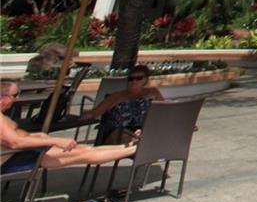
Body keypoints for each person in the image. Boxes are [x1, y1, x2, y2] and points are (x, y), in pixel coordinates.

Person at [0, 81, 138, 178]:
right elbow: (14, 142)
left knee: (83, 149)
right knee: (83, 153)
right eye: (14, 95)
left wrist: (38, 136)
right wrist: (55, 140)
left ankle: (129, 146)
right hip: (15, 158)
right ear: (2, 98)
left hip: (20, 154)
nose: (17, 99)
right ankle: (134, 149)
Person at [79, 64, 165, 144]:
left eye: (139, 78)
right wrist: (83, 115)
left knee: (150, 137)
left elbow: (165, 111)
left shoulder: (152, 92)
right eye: (131, 79)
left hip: (143, 129)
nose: (134, 81)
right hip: (118, 131)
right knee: (133, 141)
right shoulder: (116, 96)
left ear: (146, 80)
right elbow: (94, 113)